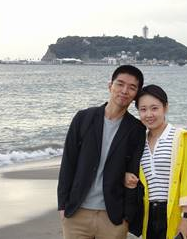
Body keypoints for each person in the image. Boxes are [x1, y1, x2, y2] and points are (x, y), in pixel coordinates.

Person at [57, 65, 146, 239]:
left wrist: (127, 217)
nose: (124, 91)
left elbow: (133, 173)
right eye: (120, 84)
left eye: (132, 87)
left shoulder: (136, 129)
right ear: (110, 85)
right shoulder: (83, 118)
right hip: (77, 213)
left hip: (113, 217)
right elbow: (68, 163)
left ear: (136, 94)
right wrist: (62, 205)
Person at [125, 84, 187, 239]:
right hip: (149, 217)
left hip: (177, 213)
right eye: (143, 109)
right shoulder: (139, 143)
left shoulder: (182, 138)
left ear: (165, 108)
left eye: (154, 108)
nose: (148, 114)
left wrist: (186, 217)